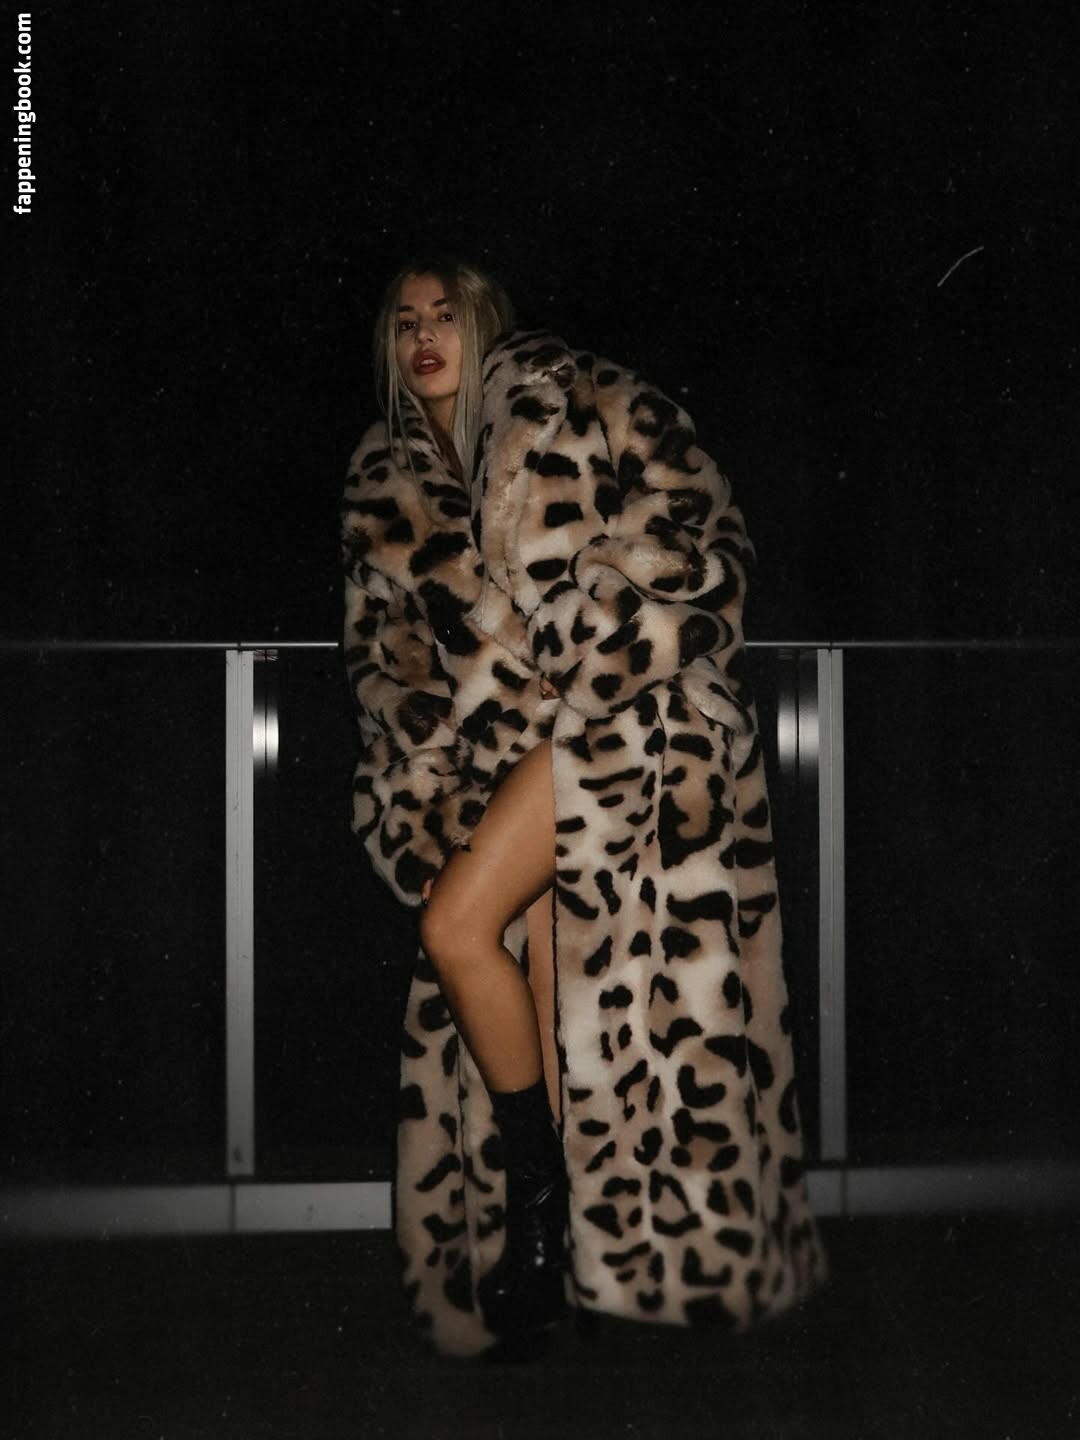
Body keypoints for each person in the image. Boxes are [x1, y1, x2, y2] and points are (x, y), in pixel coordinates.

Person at [341, 254, 827, 1359]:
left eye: (444, 315)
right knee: (552, 1000)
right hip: (506, 763)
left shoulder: (580, 395)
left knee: (458, 927)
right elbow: (387, 670)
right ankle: (572, 1263)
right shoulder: (382, 484)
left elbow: (698, 518)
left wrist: (597, 638)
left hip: (627, 720)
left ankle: (542, 1225)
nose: (424, 336)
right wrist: (421, 788)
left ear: (482, 321)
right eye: (405, 322)